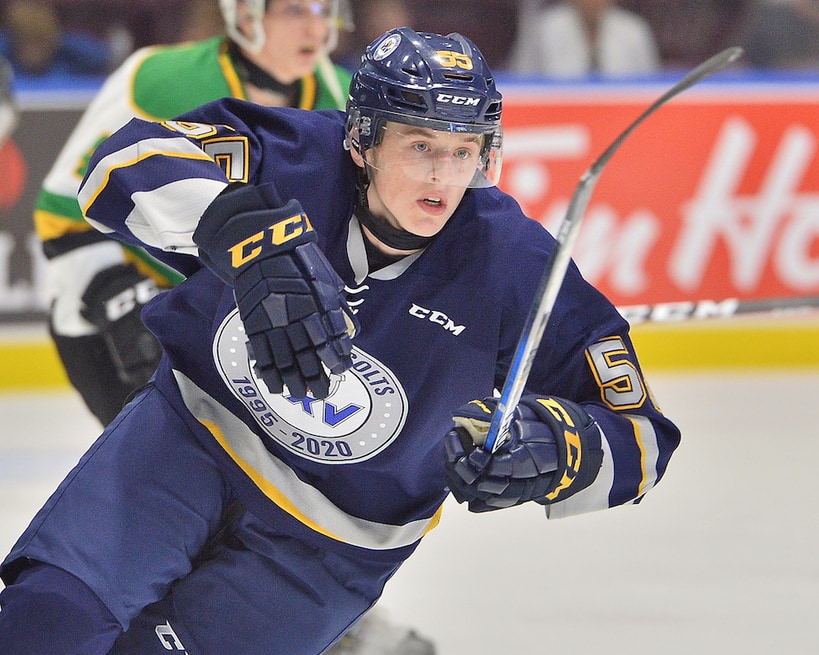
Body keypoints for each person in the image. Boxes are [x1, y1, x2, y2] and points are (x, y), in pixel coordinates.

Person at [0, 27, 681, 654]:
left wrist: (558, 448)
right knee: (46, 617)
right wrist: (247, 240)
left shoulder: (516, 266)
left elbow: (642, 436)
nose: (443, 176)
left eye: (462, 150)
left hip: (331, 546)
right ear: (361, 139)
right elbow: (117, 164)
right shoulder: (292, 156)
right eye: (420, 146)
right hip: (189, 437)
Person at [33, 0, 353, 428]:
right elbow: (63, 206)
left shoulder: (347, 101)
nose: (316, 29)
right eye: (296, 12)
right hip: (132, 303)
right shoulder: (159, 80)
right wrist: (114, 292)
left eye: (322, 11)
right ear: (245, 16)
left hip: (246, 316)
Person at [509, 0, 661, 77]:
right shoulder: (545, 29)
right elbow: (521, 85)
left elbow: (649, 90)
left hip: (620, 117)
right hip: (560, 119)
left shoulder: (634, 31)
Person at [0, 0, 114, 77]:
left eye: (39, 43)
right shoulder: (6, 69)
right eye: (27, 43)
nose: (33, 52)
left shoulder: (66, 62)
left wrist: (60, 40)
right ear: (14, 42)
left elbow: (101, 55)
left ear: (51, 43)